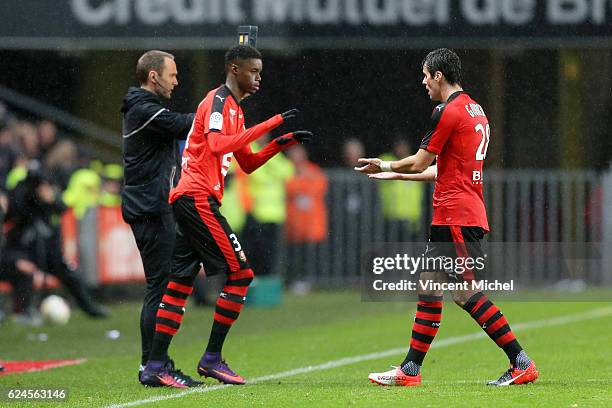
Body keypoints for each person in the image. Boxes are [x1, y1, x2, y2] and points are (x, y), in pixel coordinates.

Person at [356, 48, 538, 387]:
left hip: (457, 215)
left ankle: (521, 362)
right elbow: (448, 170)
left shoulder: (447, 111)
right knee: (429, 287)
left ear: (439, 75)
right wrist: (398, 176)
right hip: (454, 212)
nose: (423, 81)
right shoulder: (475, 109)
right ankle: (410, 371)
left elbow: (421, 161)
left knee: (465, 293)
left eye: (426, 74)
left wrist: (386, 165)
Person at [141, 44, 312, 388]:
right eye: (254, 71)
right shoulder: (218, 102)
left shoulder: (235, 109)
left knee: (179, 284)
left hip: (193, 198)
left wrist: (282, 142)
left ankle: (155, 364)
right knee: (241, 273)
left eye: (260, 72)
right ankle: (211, 358)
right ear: (235, 69)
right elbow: (218, 145)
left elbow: (246, 163)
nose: (259, 78)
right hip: (197, 197)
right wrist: (273, 121)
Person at [121, 50, 200, 387]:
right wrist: (222, 104)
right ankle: (153, 366)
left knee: (164, 284)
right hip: (150, 208)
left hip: (152, 206)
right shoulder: (143, 109)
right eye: (172, 74)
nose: (176, 80)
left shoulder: (145, 108)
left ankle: (155, 364)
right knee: (161, 286)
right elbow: (188, 125)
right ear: (153, 76)